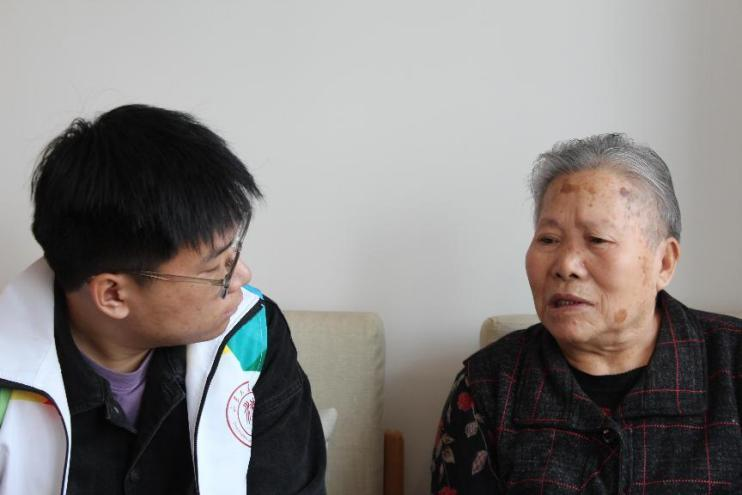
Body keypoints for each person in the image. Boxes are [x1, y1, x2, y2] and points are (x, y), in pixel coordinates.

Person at [0, 105, 326, 494]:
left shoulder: (253, 337)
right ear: (113, 294)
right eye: (215, 268)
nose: (242, 276)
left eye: (234, 253)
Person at [431, 133, 742, 494]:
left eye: (597, 240)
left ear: (664, 262)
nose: (566, 265)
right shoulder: (487, 386)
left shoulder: (732, 364)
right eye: (548, 239)